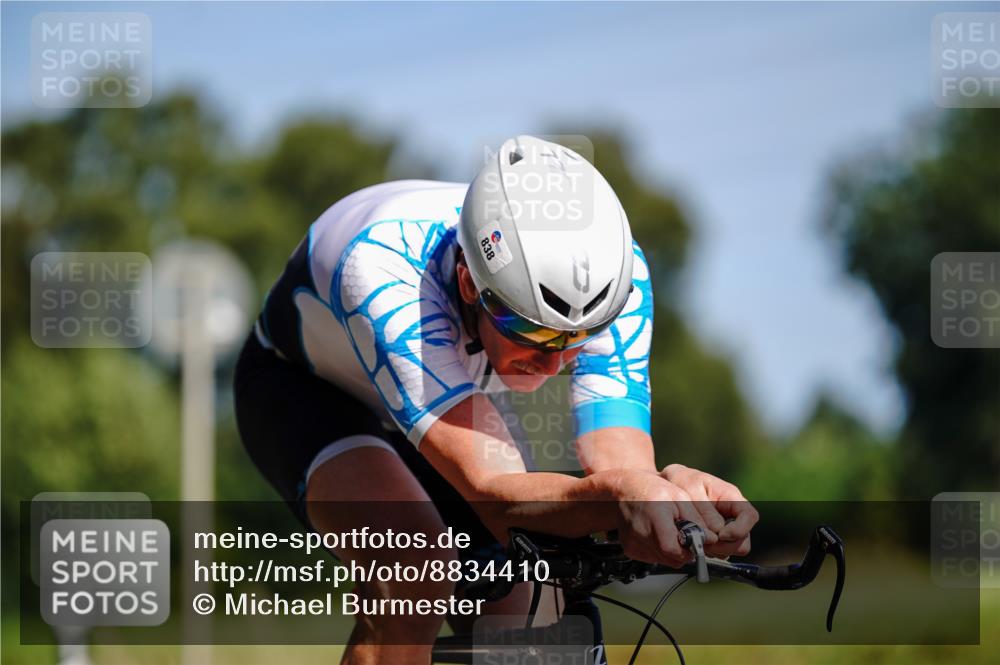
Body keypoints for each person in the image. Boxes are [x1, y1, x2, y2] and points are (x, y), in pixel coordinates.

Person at [234, 135, 758, 664]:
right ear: (467, 281)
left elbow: (619, 464)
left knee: (530, 599)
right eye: (530, 331)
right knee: (416, 573)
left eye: (575, 341)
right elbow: (496, 493)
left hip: (441, 387)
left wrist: (671, 497)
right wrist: (620, 498)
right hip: (304, 390)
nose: (553, 364)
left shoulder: (612, 276)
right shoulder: (382, 269)